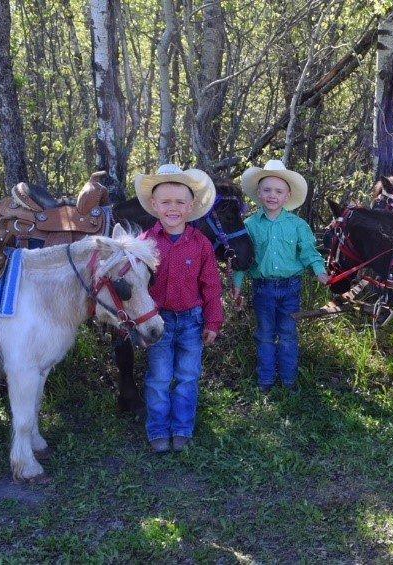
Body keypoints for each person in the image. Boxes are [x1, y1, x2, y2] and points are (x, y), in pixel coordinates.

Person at [134, 164, 224, 452]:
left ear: (191, 206)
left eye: (180, 202)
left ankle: (182, 429)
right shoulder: (145, 243)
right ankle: (158, 429)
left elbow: (211, 286)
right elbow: (137, 288)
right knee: (159, 377)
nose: (173, 208)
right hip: (158, 322)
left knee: (187, 376)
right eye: (166, 202)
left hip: (192, 321)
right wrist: (139, 326)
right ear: (154, 205)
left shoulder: (201, 244)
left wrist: (213, 321)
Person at [232, 160, 328, 393]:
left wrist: (320, 271)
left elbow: (308, 252)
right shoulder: (250, 225)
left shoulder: (297, 225)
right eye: (267, 190)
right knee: (265, 334)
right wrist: (236, 287)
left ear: (287, 196)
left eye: (278, 191)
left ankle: (289, 380)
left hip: (291, 288)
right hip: (262, 288)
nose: (272, 196)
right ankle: (265, 379)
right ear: (259, 194)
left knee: (287, 334)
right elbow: (242, 260)